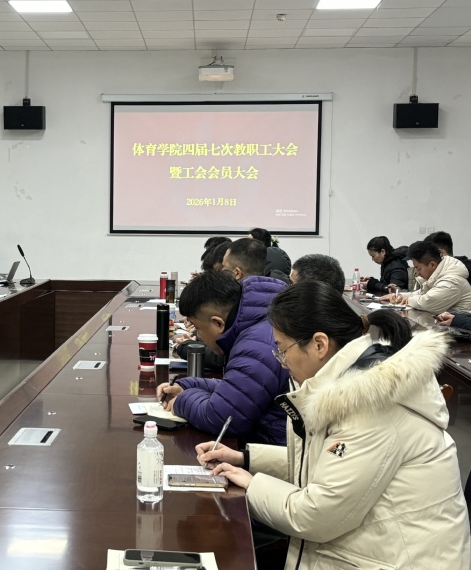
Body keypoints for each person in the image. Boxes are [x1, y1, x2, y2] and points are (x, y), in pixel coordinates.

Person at [198, 280, 471, 569]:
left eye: (282, 350)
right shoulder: (352, 381)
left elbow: (314, 516)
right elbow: (326, 462)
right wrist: (247, 458)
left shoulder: (371, 404)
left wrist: (252, 485)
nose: (281, 362)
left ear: (319, 344)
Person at [156, 270, 289, 445]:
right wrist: (188, 385)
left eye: (198, 328)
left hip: (277, 452)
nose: (198, 336)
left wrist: (181, 401)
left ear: (218, 323)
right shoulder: (258, 326)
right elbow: (240, 389)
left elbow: (221, 418)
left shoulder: (256, 346)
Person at [381, 240, 471, 314]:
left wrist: (408, 300)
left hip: (459, 329)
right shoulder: (439, 274)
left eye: (418, 268)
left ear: (432, 265)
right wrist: (400, 296)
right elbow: (422, 293)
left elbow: (427, 302)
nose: (417, 273)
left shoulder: (451, 281)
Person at [222, 238, 288, 286]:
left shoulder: (230, 300)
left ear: (237, 273)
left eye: (224, 266)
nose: (222, 270)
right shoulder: (284, 295)